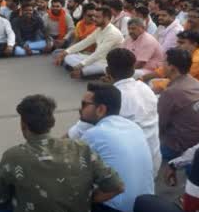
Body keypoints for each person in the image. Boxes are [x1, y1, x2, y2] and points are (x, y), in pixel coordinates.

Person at [67, 48, 161, 176]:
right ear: (133, 70)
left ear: (107, 70)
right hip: (152, 163)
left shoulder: (112, 97)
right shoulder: (145, 88)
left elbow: (79, 131)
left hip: (125, 172)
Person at [76, 82, 153, 212]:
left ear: (101, 109)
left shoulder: (93, 134)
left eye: (84, 104)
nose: (79, 109)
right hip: (145, 207)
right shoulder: (133, 126)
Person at [157, 48, 199, 162]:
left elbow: (159, 124)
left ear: (172, 67)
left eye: (164, 62)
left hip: (177, 147)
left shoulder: (172, 92)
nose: (162, 66)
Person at [55, 6, 124, 78]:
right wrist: (65, 52)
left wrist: (81, 65)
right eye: (94, 16)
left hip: (106, 64)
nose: (94, 19)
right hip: (95, 59)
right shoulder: (99, 29)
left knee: (88, 67)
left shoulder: (112, 33)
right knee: (68, 57)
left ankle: (86, 72)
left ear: (106, 18)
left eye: (97, 17)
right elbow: (85, 42)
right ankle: (84, 71)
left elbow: (99, 54)